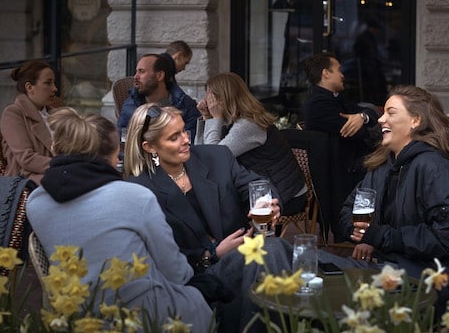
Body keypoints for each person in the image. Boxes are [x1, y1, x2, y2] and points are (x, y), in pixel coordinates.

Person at [25, 107, 213, 331]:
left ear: (57, 150)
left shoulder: (35, 202)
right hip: (143, 317)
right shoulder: (135, 197)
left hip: (74, 317)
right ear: (113, 155)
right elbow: (177, 273)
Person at [123, 103, 292, 332]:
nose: (185, 140)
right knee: (274, 252)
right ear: (150, 147)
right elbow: (155, 257)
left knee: (273, 252)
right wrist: (211, 255)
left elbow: (257, 185)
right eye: (174, 137)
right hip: (196, 276)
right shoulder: (139, 190)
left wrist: (267, 202)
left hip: (249, 257)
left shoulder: (216, 157)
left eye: (184, 130)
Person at [341, 85, 449, 309]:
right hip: (390, 265)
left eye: (391, 112)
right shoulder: (381, 165)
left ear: (415, 120)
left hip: (432, 278)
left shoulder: (435, 168)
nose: (380, 120)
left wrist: (381, 237)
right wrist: (362, 234)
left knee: (334, 291)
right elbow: (348, 212)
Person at [195, 72, 307, 219]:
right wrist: (207, 118)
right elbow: (200, 154)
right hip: (267, 188)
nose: (207, 101)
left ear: (222, 98)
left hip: (284, 195)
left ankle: (229, 241)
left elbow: (214, 158)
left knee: (214, 209)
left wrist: (214, 118)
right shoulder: (232, 120)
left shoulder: (248, 124)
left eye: (210, 96)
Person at [302, 51, 380, 241]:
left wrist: (363, 117)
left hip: (351, 164)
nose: (343, 74)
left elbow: (370, 112)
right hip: (341, 173)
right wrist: (365, 121)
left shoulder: (335, 99)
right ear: (325, 73)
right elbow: (360, 132)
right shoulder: (318, 104)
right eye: (338, 70)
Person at [0, 60, 58, 184]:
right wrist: (64, 165)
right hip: (25, 181)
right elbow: (26, 159)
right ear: (30, 87)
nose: (55, 88)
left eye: (54, 83)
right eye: (48, 83)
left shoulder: (56, 114)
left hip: (57, 173)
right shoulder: (13, 113)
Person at [116, 53, 200, 136]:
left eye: (142, 71)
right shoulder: (130, 105)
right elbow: (122, 139)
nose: (135, 77)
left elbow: (191, 141)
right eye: (136, 72)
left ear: (160, 76)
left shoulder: (186, 105)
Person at [351, 18, 388, 105]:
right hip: (368, 68)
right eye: (376, 29)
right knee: (373, 89)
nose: (377, 32)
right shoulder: (366, 38)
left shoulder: (369, 38)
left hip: (370, 67)